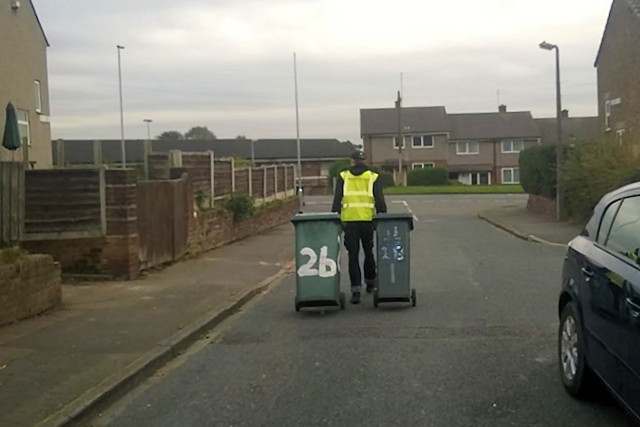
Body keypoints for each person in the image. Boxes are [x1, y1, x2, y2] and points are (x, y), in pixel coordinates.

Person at [331, 150, 387, 304]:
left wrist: (334, 217)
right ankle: (370, 282)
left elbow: (337, 200)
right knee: (368, 252)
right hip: (368, 220)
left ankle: (355, 290)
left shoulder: (343, 176)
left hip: (349, 221)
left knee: (353, 256)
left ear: (352, 161)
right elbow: (380, 200)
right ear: (364, 160)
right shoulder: (372, 176)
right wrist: (382, 216)